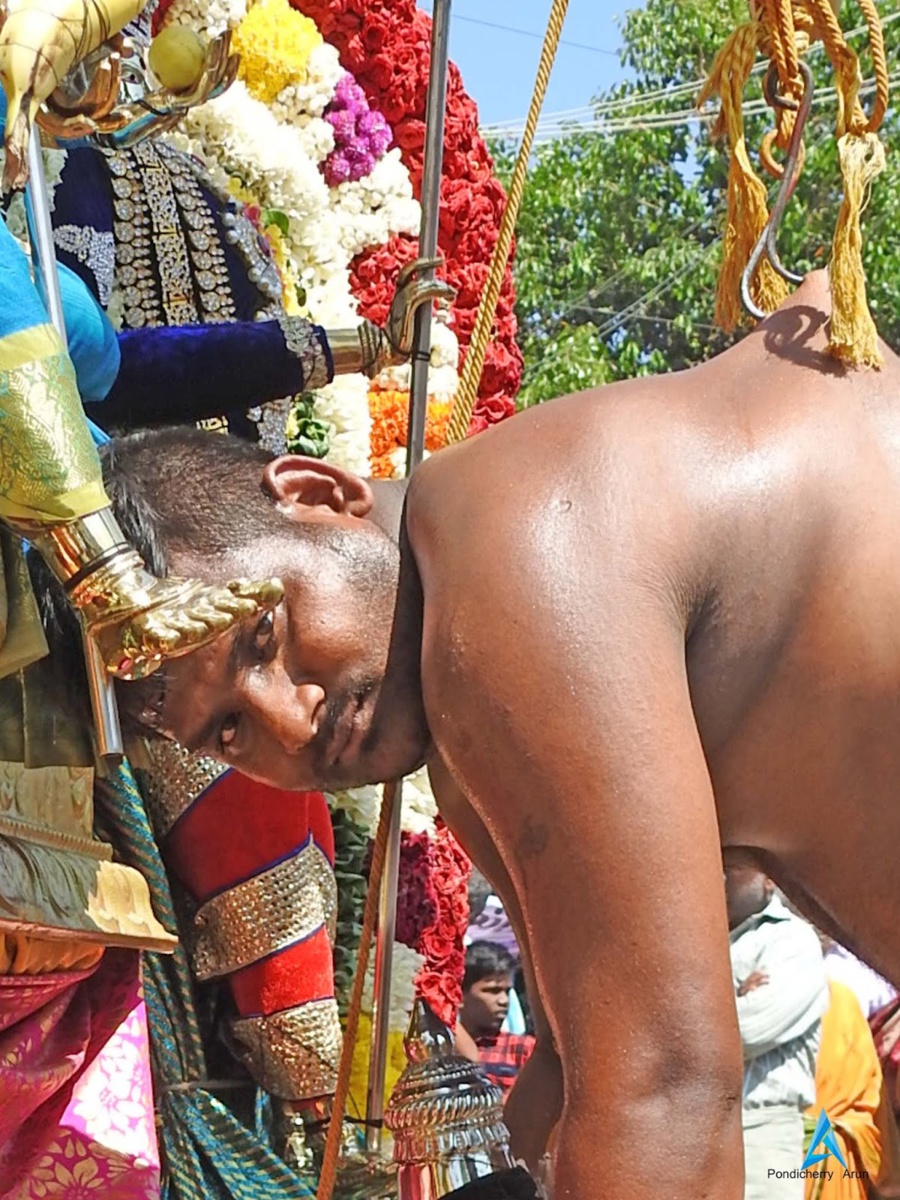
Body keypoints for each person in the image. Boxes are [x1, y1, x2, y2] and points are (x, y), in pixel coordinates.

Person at [40, 270, 900, 1199]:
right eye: (230, 733)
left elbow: (662, 1092)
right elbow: (573, 1078)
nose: (296, 720)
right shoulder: (467, 662)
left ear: (319, 490)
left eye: (268, 636)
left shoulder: (515, 569)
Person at [725, 867, 828, 1198]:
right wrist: (736, 995)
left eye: (733, 866)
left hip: (762, 1129)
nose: (720, 874)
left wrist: (708, 1015)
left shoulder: (792, 939)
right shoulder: (695, 944)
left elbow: (750, 1032)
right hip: (699, 1130)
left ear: (770, 878)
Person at [458, 942, 535, 1097]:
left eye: (507, 991)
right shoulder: (442, 1047)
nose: (504, 1001)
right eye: (493, 991)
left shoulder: (522, 1049)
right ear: (459, 994)